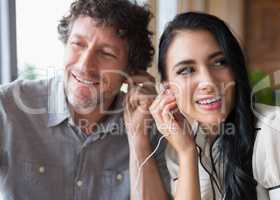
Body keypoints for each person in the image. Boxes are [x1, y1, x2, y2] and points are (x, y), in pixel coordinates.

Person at [0, 0, 170, 199]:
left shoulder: (152, 126)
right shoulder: (9, 106)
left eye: (106, 53)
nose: (84, 65)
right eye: (77, 44)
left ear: (131, 71)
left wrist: (138, 138)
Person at [150, 12, 280, 200]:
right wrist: (187, 153)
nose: (208, 82)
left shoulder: (277, 128)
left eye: (220, 62)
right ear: (167, 88)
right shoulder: (179, 146)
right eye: (186, 70)